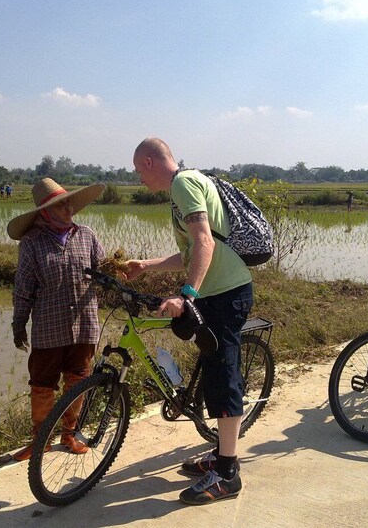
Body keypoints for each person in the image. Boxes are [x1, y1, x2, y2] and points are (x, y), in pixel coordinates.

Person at [124, 137, 253, 505]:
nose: (139, 179)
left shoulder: (183, 184)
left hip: (226, 294)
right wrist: (147, 265)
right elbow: (191, 250)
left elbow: (205, 243)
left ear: (149, 161)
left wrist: (187, 295)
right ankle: (220, 454)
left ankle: (227, 473)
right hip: (218, 292)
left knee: (223, 374)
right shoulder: (185, 185)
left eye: (138, 171)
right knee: (212, 370)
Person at [9, 178, 105, 461]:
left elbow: (102, 271)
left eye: (68, 202)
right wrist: (18, 324)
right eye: (60, 204)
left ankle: (70, 434)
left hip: (85, 324)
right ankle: (40, 441)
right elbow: (23, 288)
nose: (68, 207)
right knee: (42, 385)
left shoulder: (86, 235)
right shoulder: (32, 245)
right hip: (49, 327)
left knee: (78, 381)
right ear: (45, 212)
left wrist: (118, 275)